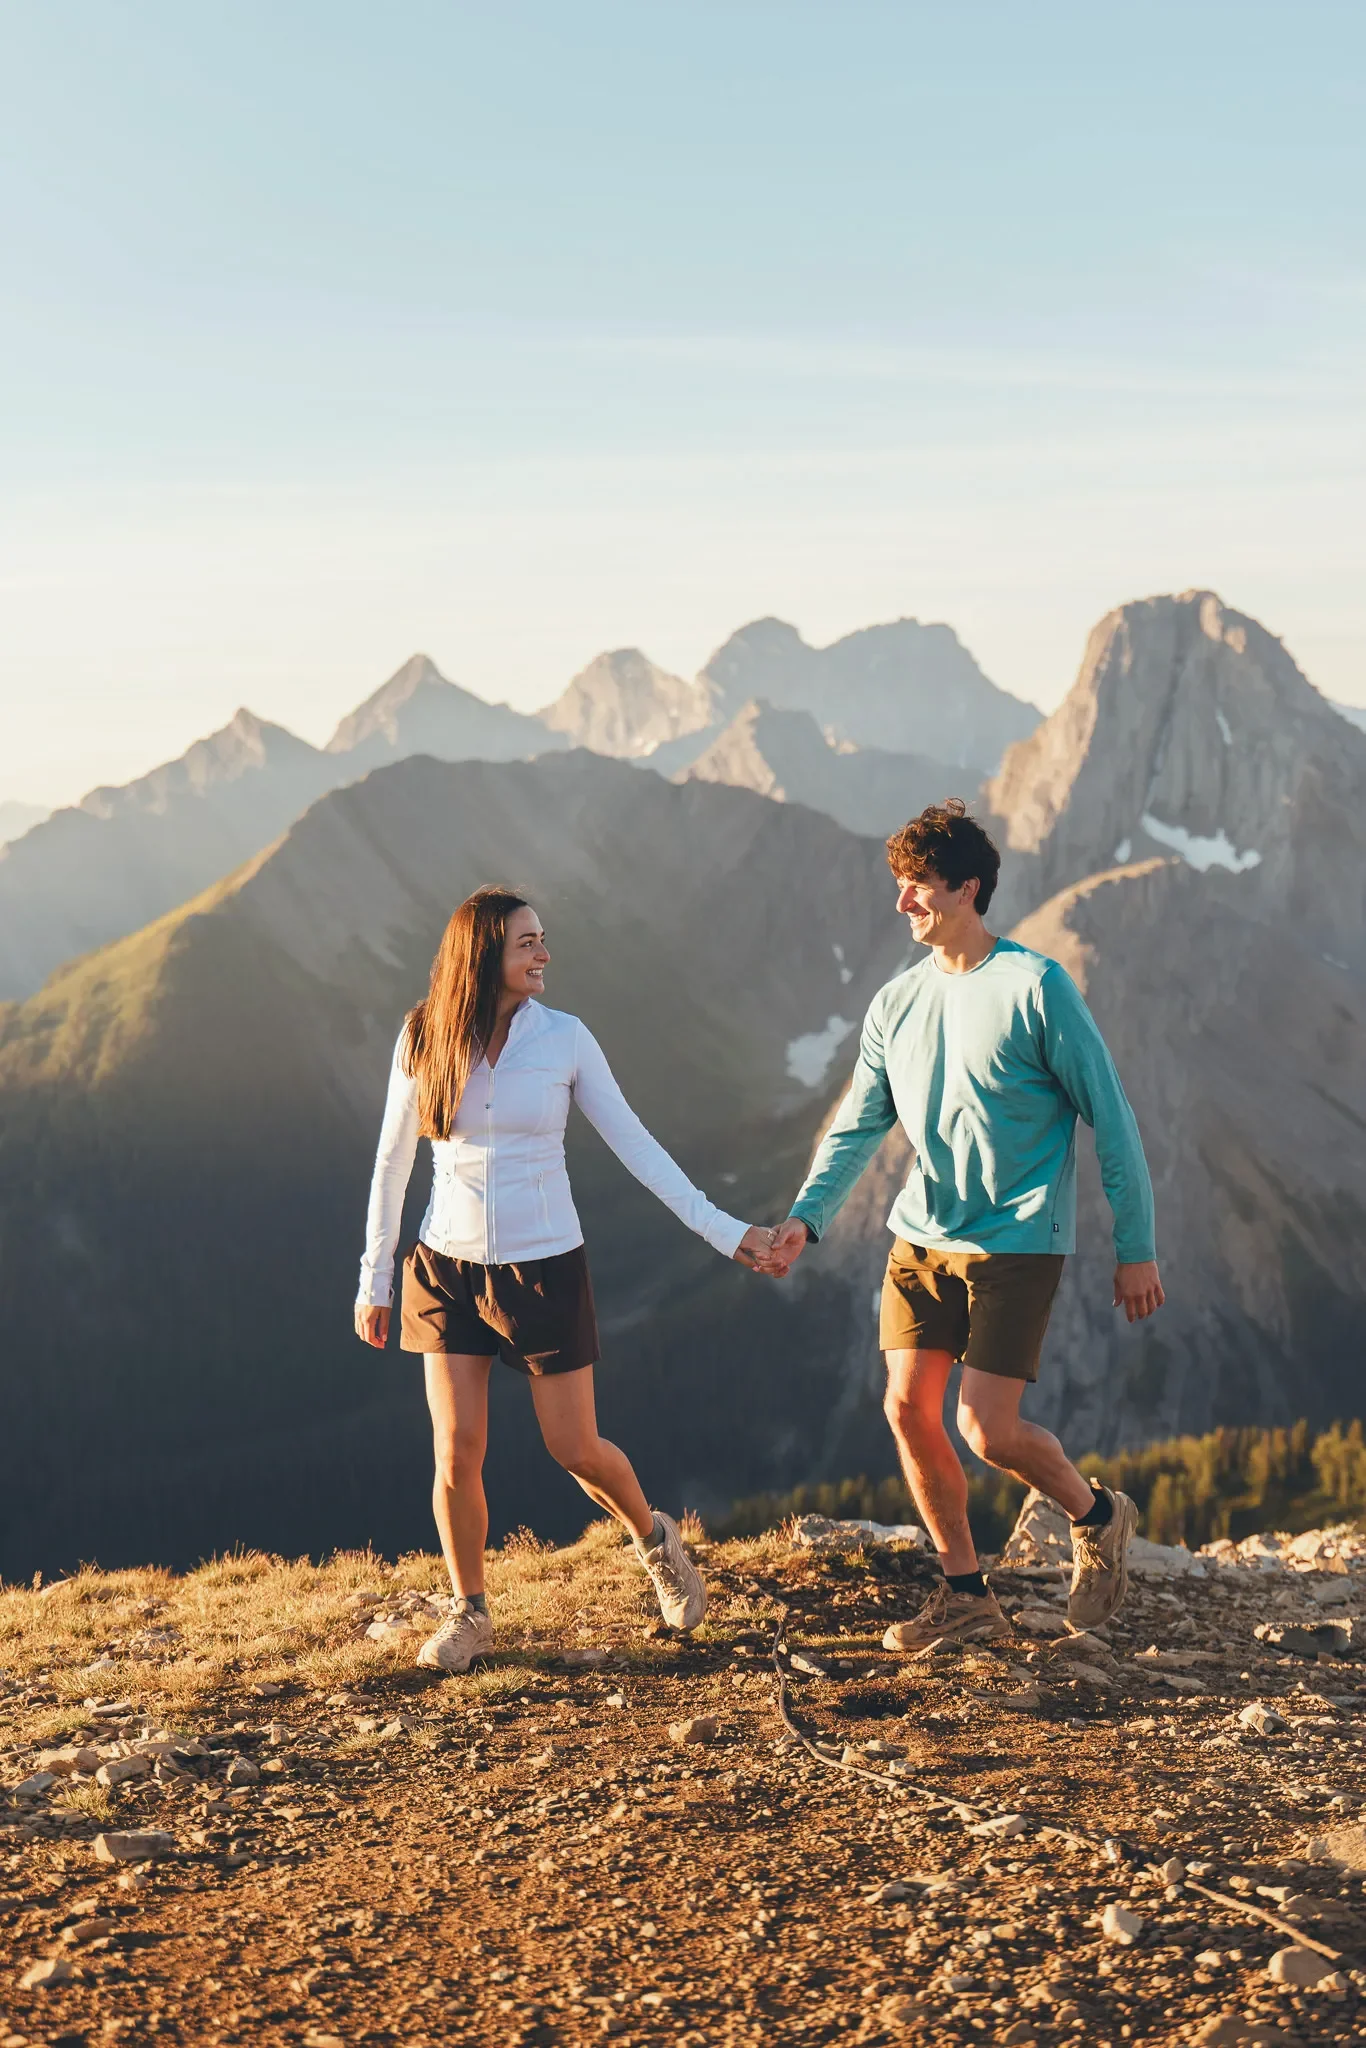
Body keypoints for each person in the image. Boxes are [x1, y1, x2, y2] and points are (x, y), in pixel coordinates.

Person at [763, 801, 1163, 1650]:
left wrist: (1137, 1249)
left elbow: (1114, 1116)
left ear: (967, 889)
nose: (902, 902)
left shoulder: (1037, 988)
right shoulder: (897, 1002)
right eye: (900, 885)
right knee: (908, 1409)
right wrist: (807, 1216)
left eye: (918, 886)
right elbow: (858, 1123)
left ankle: (1096, 1516)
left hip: (1016, 1244)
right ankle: (965, 1594)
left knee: (989, 1430)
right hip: (921, 1239)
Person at [354, 885, 776, 1673]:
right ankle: (469, 1612)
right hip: (444, 1267)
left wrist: (726, 1233)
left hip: (543, 1267)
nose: (544, 954)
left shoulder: (566, 1039)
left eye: (542, 940)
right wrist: (374, 1279)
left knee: (575, 1447)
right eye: (528, 943)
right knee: (456, 1449)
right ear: (485, 954)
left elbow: (637, 1146)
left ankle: (654, 1541)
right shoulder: (423, 1034)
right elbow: (391, 1161)